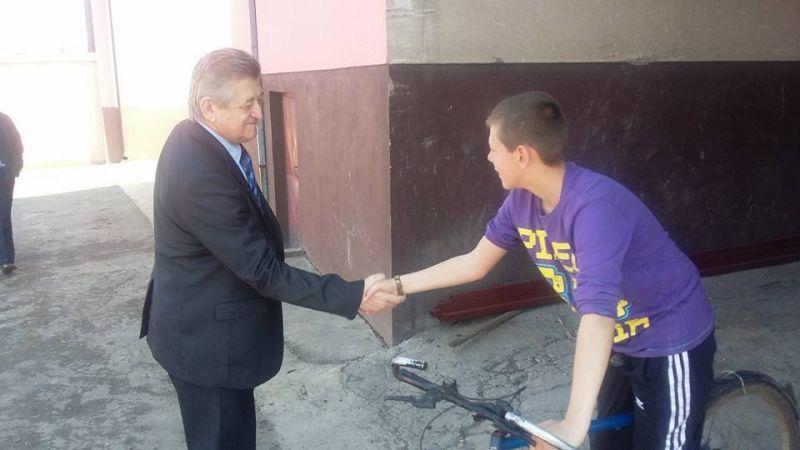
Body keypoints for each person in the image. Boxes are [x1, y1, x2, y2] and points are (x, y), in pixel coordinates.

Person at [366, 91, 716, 449]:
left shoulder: (594, 208)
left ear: (521, 154)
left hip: (668, 337)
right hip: (621, 341)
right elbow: (476, 262)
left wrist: (571, 426)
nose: (488, 157)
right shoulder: (522, 201)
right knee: (609, 442)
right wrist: (398, 285)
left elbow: (598, 317)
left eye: (493, 148)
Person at [139, 48, 403, 450]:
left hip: (202, 329)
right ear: (209, 107)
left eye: (259, 100)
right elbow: (261, 269)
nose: (259, 114)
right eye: (248, 104)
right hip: (207, 348)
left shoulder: (195, 138)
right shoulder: (199, 174)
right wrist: (352, 294)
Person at [0, 111, 23, 275]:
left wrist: (14, 169)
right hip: (6, 174)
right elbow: (18, 146)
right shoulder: (4, 119)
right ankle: (6, 258)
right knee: (3, 216)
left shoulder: (4, 120)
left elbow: (17, 146)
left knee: (3, 216)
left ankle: (6, 259)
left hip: (5, 175)